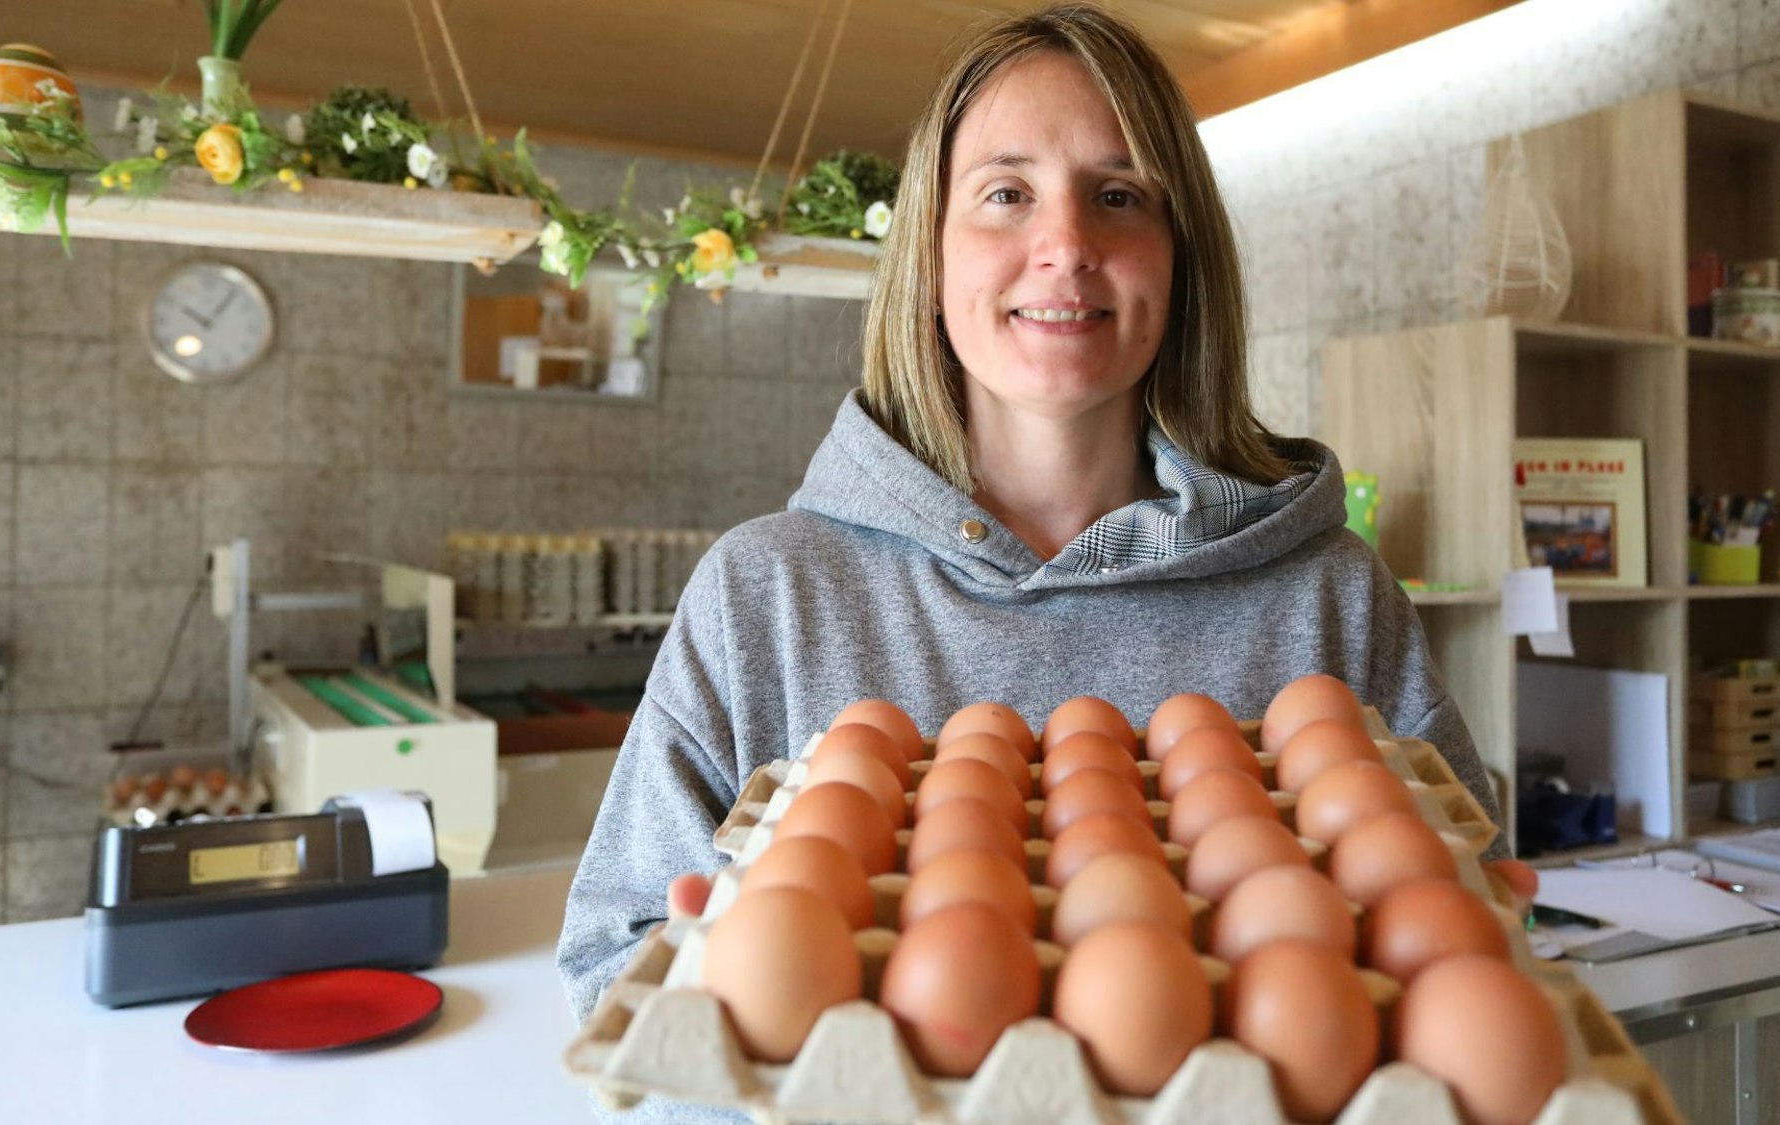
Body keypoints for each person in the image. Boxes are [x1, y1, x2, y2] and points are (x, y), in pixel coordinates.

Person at [558, 0, 1513, 1088]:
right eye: (1005, 195)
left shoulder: (1324, 597)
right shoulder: (769, 594)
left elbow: (1461, 943)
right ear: (928, 256)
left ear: (1178, 261)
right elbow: (610, 966)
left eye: (1117, 196)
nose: (1064, 245)